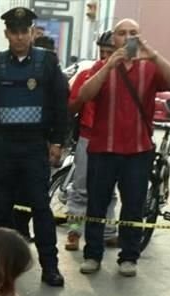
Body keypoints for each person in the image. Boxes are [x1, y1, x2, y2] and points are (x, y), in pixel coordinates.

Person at [0, 7, 69, 287]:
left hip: (35, 147)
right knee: (2, 208)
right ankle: (2, 269)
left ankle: (50, 267)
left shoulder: (46, 62)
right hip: (4, 147)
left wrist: (57, 141)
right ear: (7, 33)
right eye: (15, 32)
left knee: (40, 208)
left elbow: (61, 104)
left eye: (25, 31)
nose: (20, 37)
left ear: (32, 32)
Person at [76, 18, 170, 278]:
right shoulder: (102, 66)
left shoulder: (149, 67)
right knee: (97, 205)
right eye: (122, 33)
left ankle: (129, 257)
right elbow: (83, 96)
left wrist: (153, 55)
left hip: (138, 150)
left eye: (133, 33)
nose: (127, 37)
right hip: (103, 148)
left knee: (133, 205)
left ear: (140, 36)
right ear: (114, 39)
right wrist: (108, 66)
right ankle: (92, 254)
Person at [64, 30, 118, 252]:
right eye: (102, 52)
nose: (104, 56)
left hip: (113, 139)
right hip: (88, 135)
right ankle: (74, 231)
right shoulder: (88, 73)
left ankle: (108, 231)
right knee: (80, 187)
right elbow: (72, 105)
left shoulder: (124, 76)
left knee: (110, 190)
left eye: (110, 52)